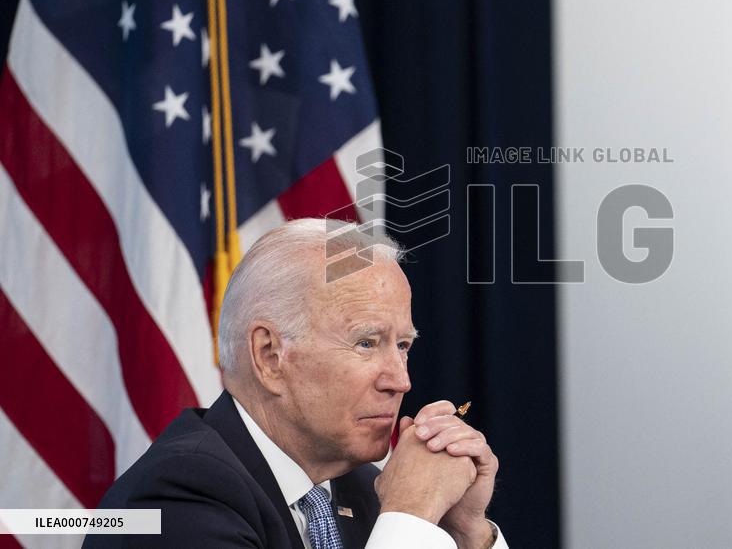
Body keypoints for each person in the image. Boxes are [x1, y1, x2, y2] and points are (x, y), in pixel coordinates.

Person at [84, 218, 506, 548]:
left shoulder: (362, 491)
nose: (401, 381)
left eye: (402, 345)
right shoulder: (178, 495)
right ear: (269, 356)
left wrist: (468, 532)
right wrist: (411, 514)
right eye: (366, 342)